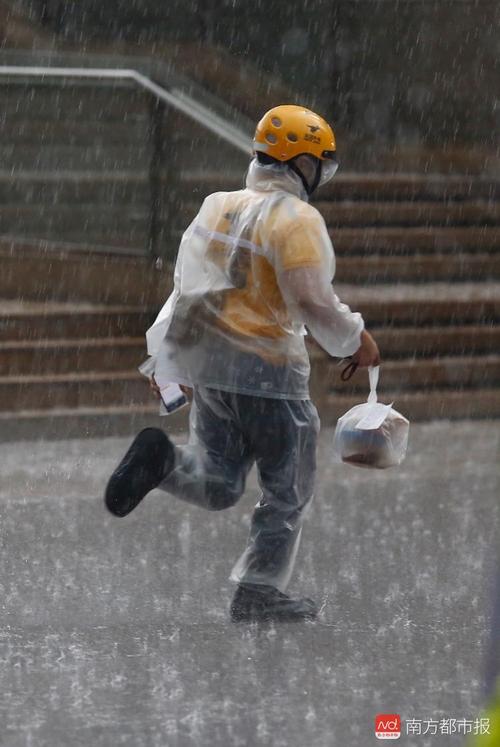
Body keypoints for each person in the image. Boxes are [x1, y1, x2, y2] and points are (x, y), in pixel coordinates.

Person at [104, 104, 380, 622]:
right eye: (321, 162)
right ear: (302, 164)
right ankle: (258, 592)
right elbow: (312, 301)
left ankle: (163, 460)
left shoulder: (218, 207)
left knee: (218, 481)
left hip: (212, 369)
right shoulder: (296, 220)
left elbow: (188, 289)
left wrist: (167, 361)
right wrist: (354, 338)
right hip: (271, 372)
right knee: (288, 487)